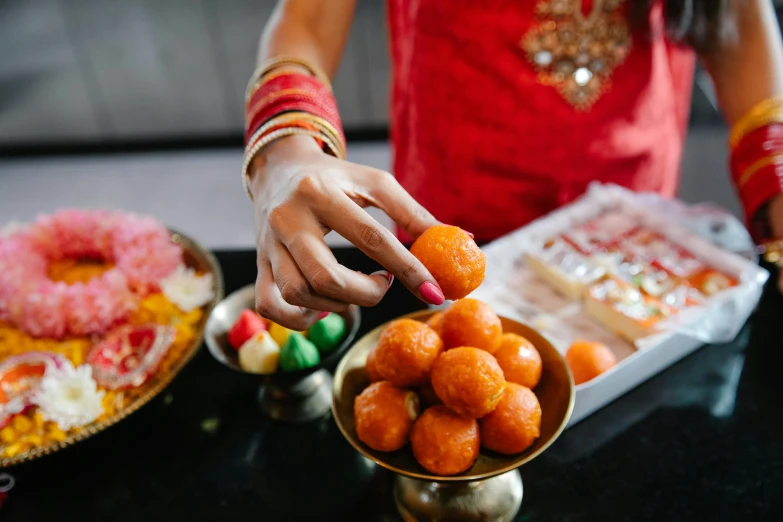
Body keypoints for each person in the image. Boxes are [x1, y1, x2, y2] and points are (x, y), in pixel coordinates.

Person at [245, 0, 783, 330]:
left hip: (631, 239)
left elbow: (738, 24)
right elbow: (308, 19)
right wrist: (285, 147)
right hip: (456, 222)